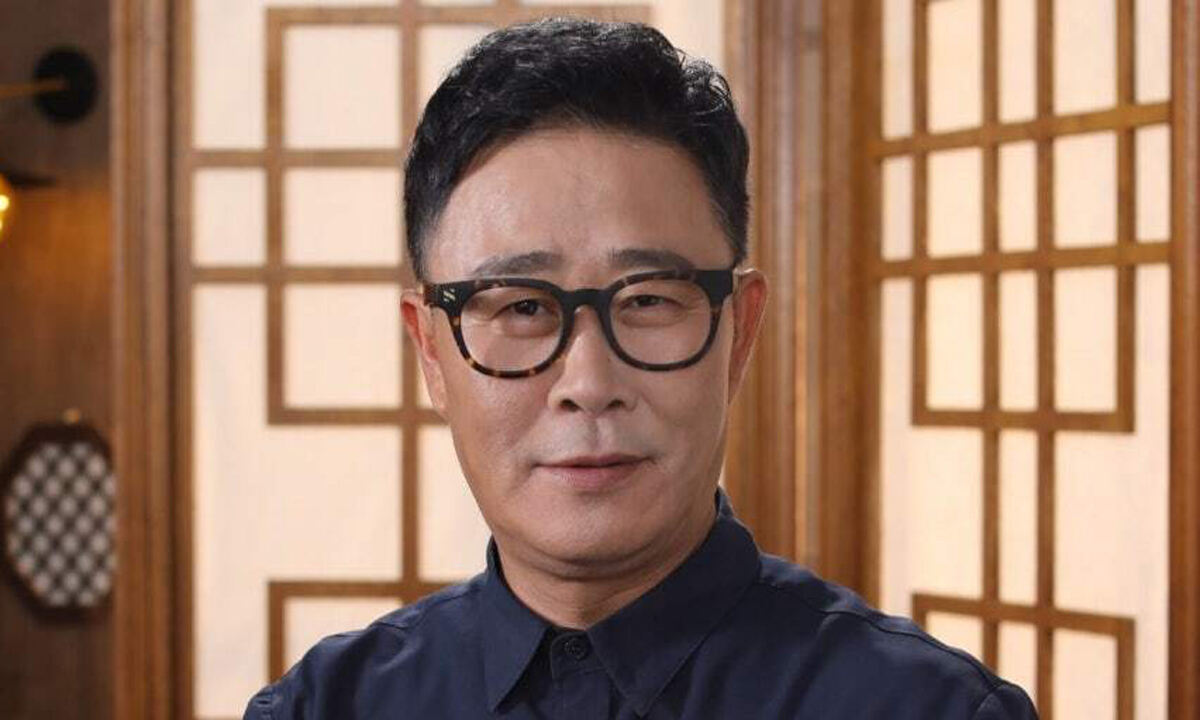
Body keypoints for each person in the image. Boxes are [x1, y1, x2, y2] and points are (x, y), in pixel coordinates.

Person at [244, 17, 1038, 719]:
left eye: (649, 300)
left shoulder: (931, 710)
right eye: (522, 307)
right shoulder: (322, 708)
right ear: (430, 350)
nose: (589, 383)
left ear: (740, 329)